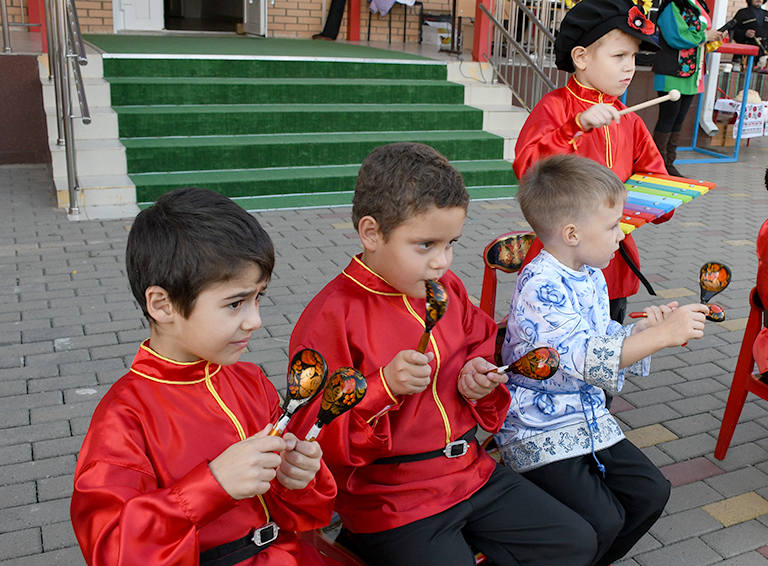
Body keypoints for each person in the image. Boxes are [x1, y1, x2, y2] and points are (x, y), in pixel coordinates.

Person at [289, 142, 599, 566]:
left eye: (451, 242)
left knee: (575, 542)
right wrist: (383, 387)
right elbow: (310, 432)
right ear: (371, 233)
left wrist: (478, 371)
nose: (442, 261)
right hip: (392, 498)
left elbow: (479, 338)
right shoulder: (331, 315)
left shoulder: (445, 288)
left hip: (470, 471)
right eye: (425, 245)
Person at [70, 188, 340, 566]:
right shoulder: (124, 417)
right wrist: (212, 485)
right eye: (235, 303)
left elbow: (302, 514)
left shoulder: (249, 381)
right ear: (162, 305)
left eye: (258, 297)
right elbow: (112, 547)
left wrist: (300, 479)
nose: (255, 320)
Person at [496, 154, 709, 566]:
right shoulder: (541, 282)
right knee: (604, 520)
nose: (621, 235)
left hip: (586, 417)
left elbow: (604, 341)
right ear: (572, 233)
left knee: (651, 493)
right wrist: (662, 337)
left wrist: (643, 333)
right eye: (613, 226)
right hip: (539, 426)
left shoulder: (590, 273)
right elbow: (582, 358)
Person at [513, 0, 668, 325]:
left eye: (634, 57)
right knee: (555, 348)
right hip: (560, 256)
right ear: (581, 57)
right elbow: (529, 170)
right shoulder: (555, 108)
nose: (630, 67)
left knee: (606, 345)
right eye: (619, 56)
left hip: (614, 255)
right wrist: (576, 127)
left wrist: (662, 201)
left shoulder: (630, 122)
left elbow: (657, 182)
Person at [652, 0, 725, 175]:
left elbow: (701, 31)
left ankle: (669, 162)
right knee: (668, 117)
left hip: (693, 73)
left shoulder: (697, 4)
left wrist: (714, 36)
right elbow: (676, 35)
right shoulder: (672, 5)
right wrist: (705, 36)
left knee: (679, 119)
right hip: (672, 71)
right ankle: (658, 164)